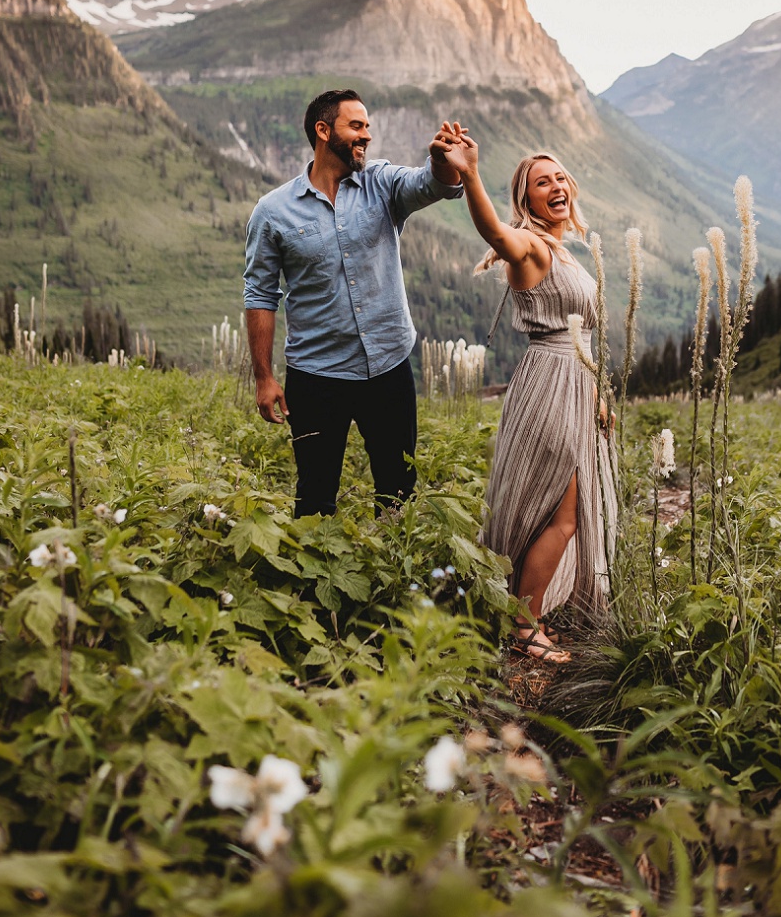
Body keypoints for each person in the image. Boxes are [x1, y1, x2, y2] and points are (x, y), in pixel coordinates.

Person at [436, 127, 619, 661]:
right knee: (561, 514)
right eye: (543, 182)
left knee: (563, 511)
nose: (556, 186)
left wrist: (597, 394)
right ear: (526, 199)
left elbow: (579, 337)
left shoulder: (561, 251)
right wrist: (468, 173)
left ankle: (526, 614)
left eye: (560, 176)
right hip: (550, 384)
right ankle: (524, 627)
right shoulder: (530, 246)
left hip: (572, 380)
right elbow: (494, 234)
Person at [244, 90, 464, 518]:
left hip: (388, 366)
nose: (367, 135)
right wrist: (264, 377)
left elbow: (432, 183)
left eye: (368, 126)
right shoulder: (272, 212)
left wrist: (440, 158)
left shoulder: (381, 183)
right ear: (324, 132)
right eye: (356, 126)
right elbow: (259, 295)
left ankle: (395, 581)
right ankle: (316, 582)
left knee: (398, 490)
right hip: (316, 375)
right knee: (314, 497)